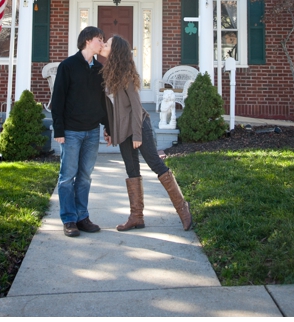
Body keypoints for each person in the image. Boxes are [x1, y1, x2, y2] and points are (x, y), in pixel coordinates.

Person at [101, 34, 193, 231]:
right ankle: (136, 217)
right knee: (131, 170)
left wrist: (137, 135)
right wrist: (109, 130)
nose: (103, 45)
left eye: (107, 43)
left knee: (155, 163)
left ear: (115, 50)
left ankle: (183, 209)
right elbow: (111, 107)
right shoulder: (108, 73)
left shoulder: (126, 74)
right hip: (123, 130)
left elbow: (136, 107)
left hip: (139, 126)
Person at [51, 26, 108, 237]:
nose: (102, 43)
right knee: (67, 177)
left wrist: (107, 127)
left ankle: (82, 217)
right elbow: (58, 99)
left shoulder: (98, 68)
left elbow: (102, 101)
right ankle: (69, 219)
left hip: (92, 131)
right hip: (71, 131)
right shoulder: (68, 66)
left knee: (85, 177)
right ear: (87, 41)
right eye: (99, 39)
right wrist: (59, 129)